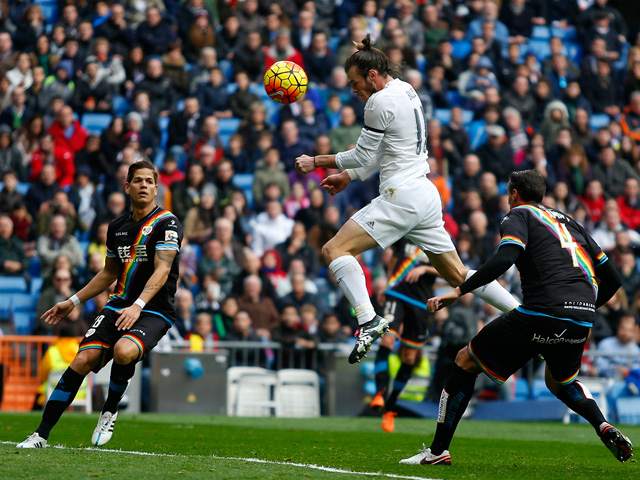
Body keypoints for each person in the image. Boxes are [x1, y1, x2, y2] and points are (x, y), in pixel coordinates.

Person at [295, 35, 519, 364]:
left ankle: (368, 320)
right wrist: (350, 176)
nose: (353, 91)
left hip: (402, 197)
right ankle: (521, 312)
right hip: (425, 193)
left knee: (334, 249)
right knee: (458, 275)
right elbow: (384, 150)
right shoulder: (404, 88)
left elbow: (362, 153)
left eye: (356, 83)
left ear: (372, 76)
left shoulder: (378, 102)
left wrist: (316, 161)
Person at [400, 170, 633, 466]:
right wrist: (580, 310)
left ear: (513, 194)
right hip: (582, 317)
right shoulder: (571, 223)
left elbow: (504, 258)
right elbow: (612, 279)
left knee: (464, 361)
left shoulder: (517, 216)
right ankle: (603, 425)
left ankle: (437, 452)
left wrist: (458, 291)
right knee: (560, 382)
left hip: (542, 311)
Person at [17, 158, 183, 449]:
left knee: (123, 350)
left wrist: (139, 305)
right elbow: (109, 272)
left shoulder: (167, 223)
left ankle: (110, 409)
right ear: (127, 186)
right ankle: (40, 435)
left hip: (154, 309)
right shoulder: (117, 227)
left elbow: (163, 269)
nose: (143, 185)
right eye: (138, 180)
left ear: (156, 188)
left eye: (149, 181)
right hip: (119, 303)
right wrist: (73, 300)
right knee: (81, 360)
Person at [370, 238, 439, 433]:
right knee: (388, 338)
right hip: (398, 294)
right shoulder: (408, 233)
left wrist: (425, 269)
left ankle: (390, 408)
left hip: (420, 302)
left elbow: (451, 272)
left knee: (409, 357)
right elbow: (393, 255)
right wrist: (390, 282)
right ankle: (380, 394)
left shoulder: (440, 241)